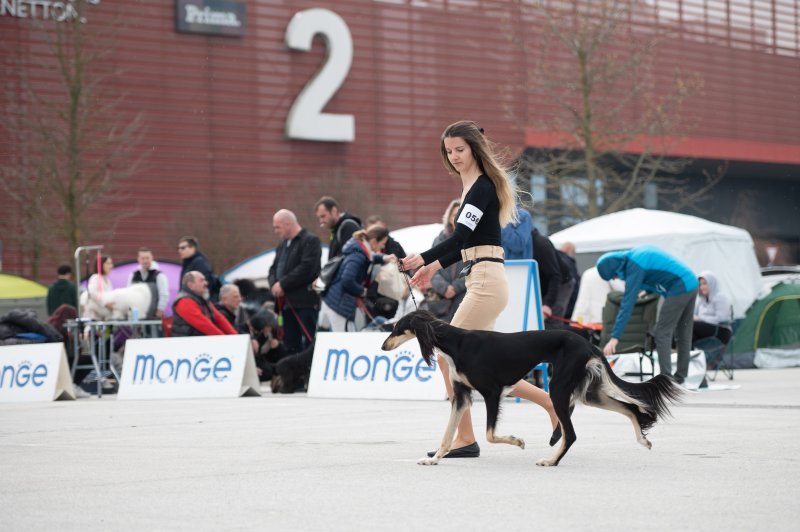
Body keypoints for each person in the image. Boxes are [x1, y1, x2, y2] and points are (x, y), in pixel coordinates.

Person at [400, 120, 557, 459]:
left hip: (486, 282)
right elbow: (466, 244)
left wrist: (421, 258)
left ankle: (465, 439)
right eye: (448, 151)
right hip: (482, 278)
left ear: (473, 147)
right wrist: (430, 269)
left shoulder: (482, 187)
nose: (454, 156)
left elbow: (458, 238)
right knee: (485, 367)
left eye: (460, 149)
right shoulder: (471, 187)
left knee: (447, 356)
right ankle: (550, 404)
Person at [597, 244, 699, 384]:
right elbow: (659, 272)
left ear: (614, 268)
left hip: (679, 286)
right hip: (691, 282)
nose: (615, 279)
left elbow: (627, 305)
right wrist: (648, 291)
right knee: (683, 333)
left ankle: (666, 380)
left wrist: (615, 338)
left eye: (613, 275)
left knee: (662, 332)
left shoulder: (634, 265)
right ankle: (680, 377)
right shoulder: (634, 255)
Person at [318, 225, 397, 332]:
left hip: (335, 300)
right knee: (345, 340)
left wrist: (383, 258)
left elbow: (370, 257)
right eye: (382, 243)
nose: (383, 247)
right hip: (339, 304)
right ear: (373, 241)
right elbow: (347, 280)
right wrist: (362, 291)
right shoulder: (358, 256)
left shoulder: (360, 250)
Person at [268, 209, 322, 353]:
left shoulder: (310, 241)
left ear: (288, 224)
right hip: (285, 304)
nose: (275, 231)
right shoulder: (282, 244)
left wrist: (283, 284)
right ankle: (293, 375)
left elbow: (307, 268)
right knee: (289, 342)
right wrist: (273, 284)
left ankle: (309, 372)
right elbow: (274, 267)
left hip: (305, 303)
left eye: (277, 227)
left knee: (309, 341)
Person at [421, 199, 467, 323]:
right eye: (454, 215)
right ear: (449, 217)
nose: (456, 218)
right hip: (440, 294)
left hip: (463, 292)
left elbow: (473, 268)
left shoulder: (470, 240)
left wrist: (455, 287)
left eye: (460, 214)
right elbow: (430, 267)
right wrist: (444, 288)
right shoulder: (439, 240)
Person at [171, 271, 238, 337]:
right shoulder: (184, 301)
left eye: (205, 280)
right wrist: (224, 339)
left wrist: (236, 336)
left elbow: (219, 319)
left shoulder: (202, 299)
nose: (206, 283)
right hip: (188, 344)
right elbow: (203, 324)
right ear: (190, 285)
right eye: (201, 280)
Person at [532, 227, 574, 324]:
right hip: (543, 284)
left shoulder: (542, 244)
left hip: (561, 282)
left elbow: (555, 276)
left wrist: (548, 304)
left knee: (551, 321)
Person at [126, 247, 169, 319]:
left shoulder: (159, 275)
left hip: (153, 315)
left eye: (147, 258)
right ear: (138, 259)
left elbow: (164, 294)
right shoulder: (133, 275)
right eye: (143, 258)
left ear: (152, 258)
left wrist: (160, 310)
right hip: (136, 315)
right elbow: (128, 294)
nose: (145, 261)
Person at [693, 270, 733, 346]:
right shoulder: (701, 300)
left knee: (690, 326)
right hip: (704, 330)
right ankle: (687, 355)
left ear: (712, 283)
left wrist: (700, 318)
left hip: (721, 331)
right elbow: (694, 316)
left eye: (704, 283)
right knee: (684, 329)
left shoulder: (721, 297)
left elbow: (721, 318)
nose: (701, 287)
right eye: (700, 284)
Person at [177, 236, 219, 301]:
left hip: (197, 301)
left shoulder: (199, 263)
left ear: (193, 248)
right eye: (178, 248)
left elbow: (206, 285)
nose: (179, 250)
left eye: (183, 248)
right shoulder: (188, 263)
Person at [84, 255, 114, 319]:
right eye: (108, 263)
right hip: (94, 316)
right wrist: (105, 304)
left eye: (111, 263)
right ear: (101, 265)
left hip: (104, 315)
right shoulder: (95, 278)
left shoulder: (108, 280)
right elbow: (92, 293)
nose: (111, 266)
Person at [559, 242, 581, 320]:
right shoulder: (568, 262)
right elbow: (574, 284)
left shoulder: (556, 259)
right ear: (568, 249)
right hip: (567, 304)